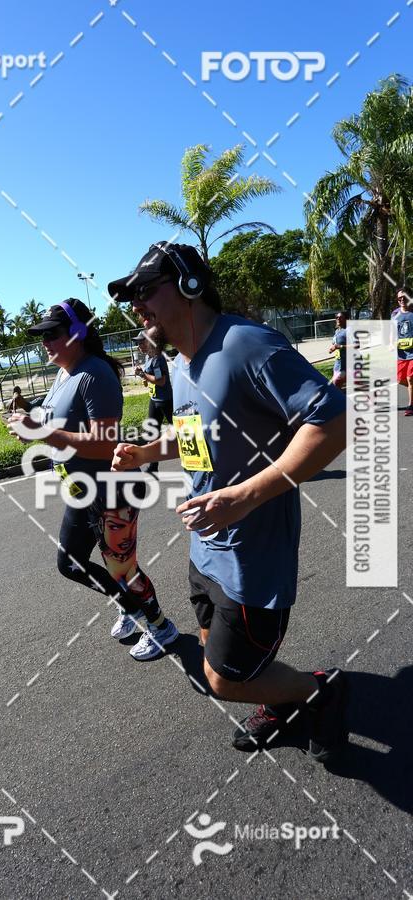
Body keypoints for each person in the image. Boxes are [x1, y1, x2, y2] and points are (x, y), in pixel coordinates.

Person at [108, 242, 348, 763]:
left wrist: (243, 496)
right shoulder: (181, 365)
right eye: (131, 297)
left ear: (189, 286)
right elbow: (197, 436)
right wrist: (148, 450)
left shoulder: (245, 344)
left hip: (253, 559)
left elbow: (334, 420)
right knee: (218, 652)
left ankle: (318, 691)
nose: (136, 305)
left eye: (145, 290)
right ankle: (279, 700)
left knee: (222, 679)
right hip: (204, 551)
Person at [7, 297, 178, 660]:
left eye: (52, 334)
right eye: (42, 336)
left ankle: (161, 627)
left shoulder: (95, 374)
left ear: (77, 333)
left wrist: (41, 434)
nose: (44, 343)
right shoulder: (64, 373)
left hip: (113, 490)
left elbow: (104, 444)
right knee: (70, 563)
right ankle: (130, 608)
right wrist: (30, 420)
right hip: (83, 492)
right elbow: (53, 418)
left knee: (123, 570)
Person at [133, 327, 174, 474]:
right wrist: (142, 375)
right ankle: (153, 466)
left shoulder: (157, 358)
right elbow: (149, 380)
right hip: (154, 399)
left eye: (142, 342)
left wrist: (143, 375)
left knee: (180, 431)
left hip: (165, 400)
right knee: (152, 432)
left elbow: (161, 381)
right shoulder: (148, 358)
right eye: (138, 343)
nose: (139, 346)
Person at [328, 311, 357, 391]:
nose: (338, 319)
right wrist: (333, 348)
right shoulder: (337, 331)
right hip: (338, 364)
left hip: (349, 363)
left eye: (340, 317)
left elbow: (357, 345)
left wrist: (340, 346)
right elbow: (336, 344)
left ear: (346, 319)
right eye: (336, 317)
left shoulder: (350, 330)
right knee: (336, 386)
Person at [394, 296, 413, 416]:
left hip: (412, 353)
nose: (402, 300)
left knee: (410, 378)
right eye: (399, 299)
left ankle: (411, 406)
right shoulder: (395, 316)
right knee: (400, 379)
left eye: (404, 298)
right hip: (401, 354)